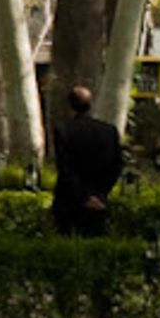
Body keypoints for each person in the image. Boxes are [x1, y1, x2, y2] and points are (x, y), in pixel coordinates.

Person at [52, 85, 122, 236]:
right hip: (100, 200)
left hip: (69, 203)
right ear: (90, 105)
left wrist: (84, 197)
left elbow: (65, 168)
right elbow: (117, 165)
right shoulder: (109, 131)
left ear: (70, 106)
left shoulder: (64, 130)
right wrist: (100, 194)